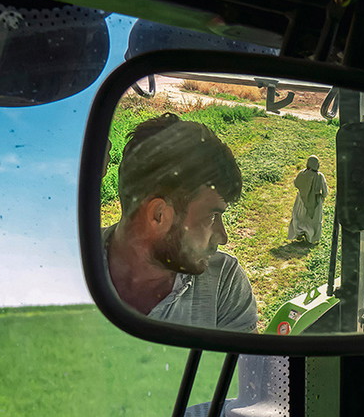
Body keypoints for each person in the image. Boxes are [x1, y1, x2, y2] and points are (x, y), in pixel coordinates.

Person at [104, 113, 258, 331]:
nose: (223, 237)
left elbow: (244, 364)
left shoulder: (224, 280)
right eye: (211, 216)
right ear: (159, 215)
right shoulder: (69, 266)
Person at [287, 154, 328, 244]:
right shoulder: (320, 176)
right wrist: (323, 197)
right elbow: (325, 190)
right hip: (316, 201)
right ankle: (310, 238)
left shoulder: (302, 173)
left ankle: (299, 233)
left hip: (302, 199)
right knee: (313, 221)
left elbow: (296, 183)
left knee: (300, 218)